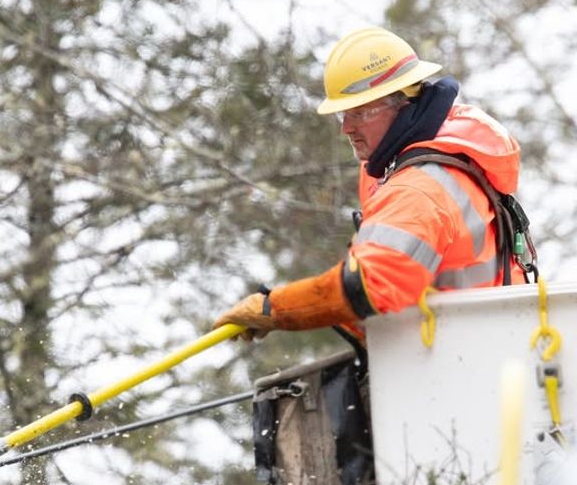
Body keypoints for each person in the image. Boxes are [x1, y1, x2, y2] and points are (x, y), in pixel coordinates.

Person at [213, 26, 527, 342]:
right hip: (466, 344)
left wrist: (274, 308)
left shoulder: (418, 189)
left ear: (403, 105)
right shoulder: (411, 166)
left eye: (360, 113)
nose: (346, 128)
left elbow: (371, 286)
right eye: (343, 115)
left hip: (465, 353)